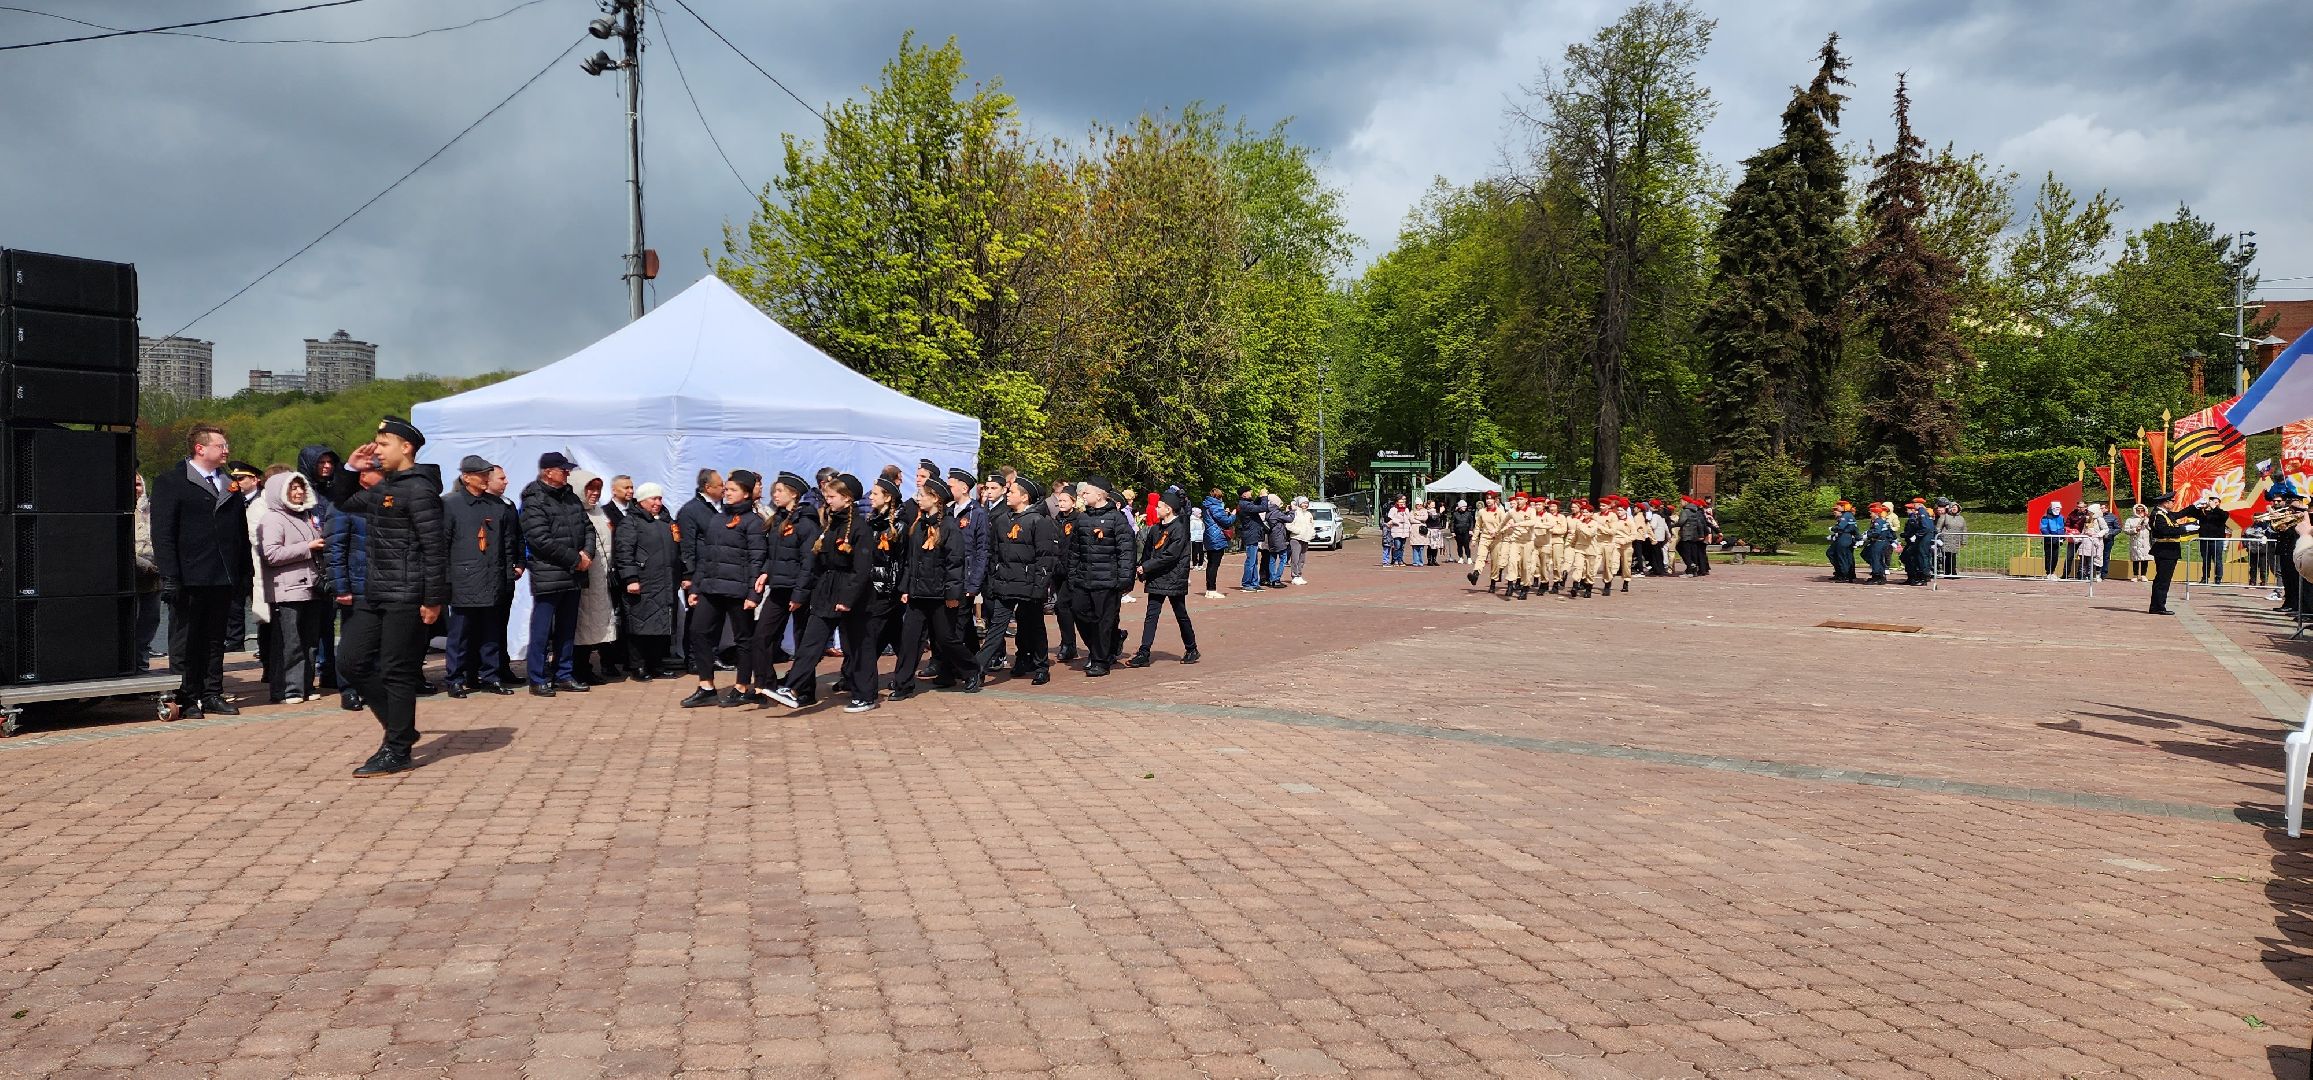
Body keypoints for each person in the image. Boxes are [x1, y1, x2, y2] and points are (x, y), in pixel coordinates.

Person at [329, 419, 448, 778]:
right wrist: (351, 468)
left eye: (383, 443)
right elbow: (344, 501)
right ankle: (403, 727)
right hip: (376, 590)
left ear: (406, 448)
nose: (376, 449)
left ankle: (397, 749)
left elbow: (435, 548)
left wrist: (433, 599)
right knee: (350, 662)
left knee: (397, 671)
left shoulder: (420, 490)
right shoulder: (387, 486)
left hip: (407, 594)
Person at [151, 425, 250, 719]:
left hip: (221, 576)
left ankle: (212, 693)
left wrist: (244, 573)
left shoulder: (228, 484)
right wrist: (170, 576)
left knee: (214, 639)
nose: (226, 450)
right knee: (186, 640)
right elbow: (164, 534)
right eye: (221, 445)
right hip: (188, 576)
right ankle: (187, 696)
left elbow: (240, 533)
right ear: (200, 448)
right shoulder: (172, 482)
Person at [770, 473, 879, 713]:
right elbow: (818, 561)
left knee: (858, 646)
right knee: (812, 640)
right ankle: (792, 686)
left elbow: (861, 570)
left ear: (847, 499)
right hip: (827, 590)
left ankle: (865, 694)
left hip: (853, 594)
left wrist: (847, 599)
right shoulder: (830, 525)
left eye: (832, 496)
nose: (827, 501)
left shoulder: (860, 528)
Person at [679, 470, 767, 708]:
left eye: (732, 490)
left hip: (738, 591)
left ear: (747, 494)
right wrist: (696, 587)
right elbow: (706, 557)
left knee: (743, 638)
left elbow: (757, 561)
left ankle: (741, 686)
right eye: (726, 489)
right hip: (711, 587)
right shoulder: (717, 519)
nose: (727, 493)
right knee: (698, 632)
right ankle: (706, 686)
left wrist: (753, 594)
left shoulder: (754, 522)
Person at [889, 482, 977, 700]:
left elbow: (955, 565)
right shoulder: (918, 526)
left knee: (946, 639)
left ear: (936, 498)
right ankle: (903, 684)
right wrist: (906, 588)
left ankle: (972, 670)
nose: (918, 498)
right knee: (910, 639)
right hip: (918, 594)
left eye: (922, 495)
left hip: (940, 595)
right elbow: (910, 561)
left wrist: (952, 596)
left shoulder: (949, 527)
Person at [520, 452, 597, 697]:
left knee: (567, 628)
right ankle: (537, 677)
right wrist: (575, 559)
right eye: (563, 469)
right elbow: (539, 539)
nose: (567, 473)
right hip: (549, 573)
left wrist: (587, 553)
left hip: (573, 573)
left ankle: (564, 673)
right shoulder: (535, 500)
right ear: (547, 472)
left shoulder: (570, 497)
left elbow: (588, 527)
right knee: (542, 630)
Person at [443, 456, 520, 698]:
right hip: (463, 579)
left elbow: (507, 545)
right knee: (460, 634)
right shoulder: (450, 505)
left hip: (492, 578)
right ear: (466, 477)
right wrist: (445, 580)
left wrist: (508, 576)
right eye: (481, 474)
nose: (486, 478)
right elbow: (442, 545)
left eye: (488, 473)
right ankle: (455, 678)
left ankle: (491, 676)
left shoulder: (497, 507)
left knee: (491, 632)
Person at [980, 474, 1061, 685]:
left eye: (1012, 491)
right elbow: (994, 554)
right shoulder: (1002, 520)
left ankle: (1041, 666)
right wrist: (993, 581)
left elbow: (1046, 559)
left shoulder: (1038, 521)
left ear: (1024, 497)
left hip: (1029, 586)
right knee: (996, 627)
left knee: (1033, 626)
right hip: (1005, 584)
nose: (1008, 494)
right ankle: (977, 668)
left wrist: (1039, 587)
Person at [253, 471, 326, 705]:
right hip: (287, 590)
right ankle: (287, 689)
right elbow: (271, 554)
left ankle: (305, 685)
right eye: (292, 489)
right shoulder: (273, 518)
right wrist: (309, 546)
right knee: (289, 642)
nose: (298, 493)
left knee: (309, 641)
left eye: (300, 488)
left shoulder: (306, 516)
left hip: (311, 587)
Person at [750, 472, 820, 693]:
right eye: (774, 490)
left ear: (794, 494)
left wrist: (799, 595)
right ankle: (766, 683)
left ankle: (805, 690)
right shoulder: (778, 519)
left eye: (780, 490)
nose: (775, 495)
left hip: (800, 591)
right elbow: (773, 554)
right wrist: (764, 573)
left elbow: (808, 562)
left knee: (802, 641)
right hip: (780, 587)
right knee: (761, 636)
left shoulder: (807, 523)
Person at [612, 482, 682, 679]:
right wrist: (631, 578)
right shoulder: (630, 523)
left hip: (665, 582)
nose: (658, 503)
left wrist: (683, 576)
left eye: (660, 498)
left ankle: (656, 664)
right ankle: (638, 665)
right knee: (640, 625)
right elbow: (624, 553)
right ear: (641, 501)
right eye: (653, 499)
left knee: (661, 626)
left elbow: (678, 551)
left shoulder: (668, 522)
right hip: (643, 582)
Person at [1065, 477, 1135, 676]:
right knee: (1079, 612)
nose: (1082, 496)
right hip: (1083, 579)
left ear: (1099, 494)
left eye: (1086, 492)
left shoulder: (1117, 519)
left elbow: (1126, 552)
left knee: (1103, 621)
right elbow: (1075, 551)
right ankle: (1104, 646)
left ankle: (1100, 661)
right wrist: (1072, 575)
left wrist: (1124, 579)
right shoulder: (1083, 518)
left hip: (1107, 580)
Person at [1129, 491, 1198, 667]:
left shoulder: (1180, 529)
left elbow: (1170, 556)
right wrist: (1142, 568)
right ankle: (1144, 652)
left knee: (1180, 613)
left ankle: (1191, 648)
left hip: (1174, 577)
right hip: (1157, 577)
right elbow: (1148, 552)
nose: (1156, 509)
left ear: (1168, 509)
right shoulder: (1155, 529)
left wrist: (1148, 566)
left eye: (1159, 506)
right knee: (1151, 615)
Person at [568, 471, 620, 684]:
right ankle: (576, 668)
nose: (594, 494)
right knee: (582, 625)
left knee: (595, 625)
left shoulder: (599, 512)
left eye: (598, 489)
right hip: (584, 576)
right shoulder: (574, 511)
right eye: (590, 489)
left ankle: (586, 667)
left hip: (601, 578)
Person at [2148, 490, 2192, 615]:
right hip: (2164, 550)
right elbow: (2164, 530)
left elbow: (2179, 514)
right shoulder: (2158, 515)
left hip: (2170, 549)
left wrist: (2195, 507)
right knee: (2162, 580)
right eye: (2172, 501)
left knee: (2163, 580)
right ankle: (2158, 606)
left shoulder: (2165, 514)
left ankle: (2158, 605)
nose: (2173, 503)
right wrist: (2184, 529)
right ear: (2165, 503)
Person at [1199, 488, 1234, 599]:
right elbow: (1226, 521)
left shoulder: (1206, 506)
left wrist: (1225, 513)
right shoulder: (1216, 506)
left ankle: (1209, 589)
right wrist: (1232, 515)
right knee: (1214, 565)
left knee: (1210, 564)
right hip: (1217, 537)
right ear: (1219, 497)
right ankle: (1211, 589)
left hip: (1209, 536)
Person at [1469, 491, 1507, 590]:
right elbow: (1478, 526)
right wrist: (1474, 539)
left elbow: (1505, 525)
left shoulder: (1500, 512)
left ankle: (1493, 582)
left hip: (1496, 539)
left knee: (1495, 561)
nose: (1488, 501)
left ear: (1495, 500)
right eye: (1487, 499)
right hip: (1485, 537)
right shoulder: (1482, 512)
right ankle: (1475, 574)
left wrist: (1497, 531)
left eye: (1491, 499)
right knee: (1480, 556)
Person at [1237, 489, 1271, 588]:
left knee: (1254, 561)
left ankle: (1254, 583)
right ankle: (1246, 583)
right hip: (1250, 535)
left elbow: (1254, 504)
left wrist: (1259, 497)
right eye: (1249, 492)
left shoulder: (1246, 503)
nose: (1251, 493)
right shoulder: (1245, 505)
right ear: (1244, 494)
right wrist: (1264, 497)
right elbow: (1263, 507)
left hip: (1253, 534)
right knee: (1250, 561)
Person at [1863, 503, 1897, 584]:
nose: (1870, 514)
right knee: (1878, 559)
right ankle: (1880, 575)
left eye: (1871, 513)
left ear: (1876, 513)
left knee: (1876, 559)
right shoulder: (1883, 521)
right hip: (1883, 542)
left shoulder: (1877, 522)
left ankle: (1877, 576)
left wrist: (1867, 535)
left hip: (1878, 542)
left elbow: (1876, 532)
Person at [1676, 497, 1711, 577]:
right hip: (1694, 535)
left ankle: (1690, 569)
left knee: (1684, 550)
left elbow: (1681, 522)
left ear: (1685, 502)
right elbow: (1700, 524)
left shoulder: (1685, 511)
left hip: (1686, 534)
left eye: (1681, 501)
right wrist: (1701, 534)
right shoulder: (1695, 511)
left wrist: (1673, 525)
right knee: (1693, 552)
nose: (1680, 503)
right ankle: (1694, 570)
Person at [1285, 495, 1315, 585]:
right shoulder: (1295, 513)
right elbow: (1288, 525)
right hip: (1296, 538)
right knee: (1295, 558)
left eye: (1306, 503)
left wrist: (1312, 534)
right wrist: (1297, 531)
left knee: (1302, 559)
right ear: (1299, 504)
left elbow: (1312, 525)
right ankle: (1294, 576)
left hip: (1305, 539)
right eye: (1303, 503)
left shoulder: (1309, 514)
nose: (1305, 505)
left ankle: (1299, 575)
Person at [1934, 500, 1966, 578]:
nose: (1954, 509)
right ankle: (1948, 572)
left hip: (1956, 540)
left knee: (1953, 556)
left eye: (1956, 507)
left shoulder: (1961, 518)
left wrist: (1964, 541)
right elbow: (1938, 528)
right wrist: (1937, 537)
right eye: (1953, 507)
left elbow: (1964, 530)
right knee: (1948, 556)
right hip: (1946, 540)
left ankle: (1952, 572)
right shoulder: (1945, 516)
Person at [2122, 503, 2153, 580]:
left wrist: (2146, 523)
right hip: (2135, 541)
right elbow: (2126, 530)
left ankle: (2143, 575)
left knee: (2145, 559)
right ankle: (2135, 575)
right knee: (2136, 558)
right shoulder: (2130, 520)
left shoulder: (2148, 519)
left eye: (2142, 510)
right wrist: (2135, 530)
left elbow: (2152, 528)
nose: (2140, 511)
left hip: (2146, 541)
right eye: (2138, 510)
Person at [1382, 495, 1412, 568]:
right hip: (1396, 530)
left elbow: (1408, 519)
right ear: (1397, 502)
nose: (1402, 504)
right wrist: (1397, 521)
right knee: (1397, 546)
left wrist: (1409, 527)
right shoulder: (1393, 509)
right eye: (1400, 502)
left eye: (1403, 502)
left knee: (1402, 546)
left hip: (1404, 531)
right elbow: (1389, 519)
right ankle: (1395, 560)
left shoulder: (1406, 510)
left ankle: (1400, 560)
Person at [2039, 501, 2067, 579]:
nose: (2058, 510)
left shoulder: (2061, 517)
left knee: (2055, 557)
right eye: (2057, 508)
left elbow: (2062, 528)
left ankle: (2053, 572)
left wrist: (2062, 537)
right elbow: (2043, 528)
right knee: (2048, 556)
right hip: (2049, 540)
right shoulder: (2046, 517)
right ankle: (2048, 572)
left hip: (2057, 540)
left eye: (2059, 508)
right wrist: (2049, 536)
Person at [1450, 500, 1475, 564]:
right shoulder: (1455, 514)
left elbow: (1472, 522)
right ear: (1460, 507)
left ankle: (1469, 558)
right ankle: (1461, 557)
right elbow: (1452, 523)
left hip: (1466, 531)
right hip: (1458, 532)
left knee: (1466, 545)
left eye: (1465, 506)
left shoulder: (1468, 514)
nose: (1465, 508)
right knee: (1459, 545)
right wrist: (1452, 531)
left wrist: (1471, 530)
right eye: (1463, 506)